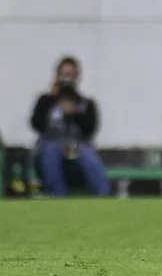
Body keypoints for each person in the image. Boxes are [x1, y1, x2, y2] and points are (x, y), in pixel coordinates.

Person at [30, 57, 110, 197]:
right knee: (51, 149)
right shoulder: (46, 100)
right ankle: (57, 195)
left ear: (77, 77)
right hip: (51, 145)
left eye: (71, 75)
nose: (67, 79)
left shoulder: (86, 103)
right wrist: (50, 98)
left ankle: (104, 194)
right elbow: (36, 124)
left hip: (75, 148)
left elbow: (90, 130)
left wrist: (74, 114)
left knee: (87, 153)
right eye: (64, 74)